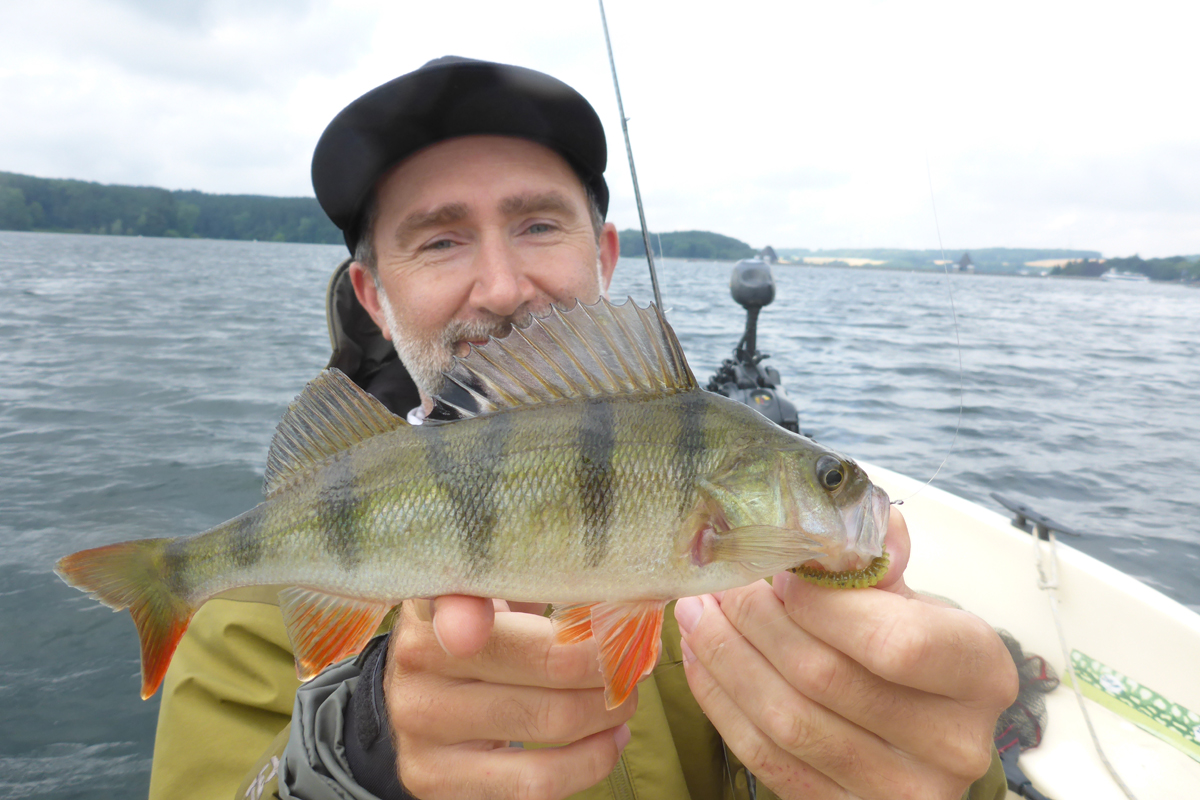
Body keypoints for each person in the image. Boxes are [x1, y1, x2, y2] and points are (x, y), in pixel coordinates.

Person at [149, 57, 1015, 800]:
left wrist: (913, 752)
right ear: (374, 298)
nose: (500, 286)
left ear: (603, 255)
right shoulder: (250, 612)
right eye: (440, 241)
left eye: (536, 225)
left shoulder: (765, 587)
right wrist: (349, 753)